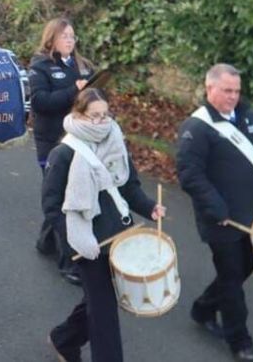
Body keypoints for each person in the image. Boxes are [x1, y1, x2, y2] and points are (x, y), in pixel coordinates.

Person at [176, 64, 253, 362]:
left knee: (244, 268)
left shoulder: (249, 118)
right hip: (222, 218)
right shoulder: (196, 128)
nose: (233, 96)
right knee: (232, 276)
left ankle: (204, 307)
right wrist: (215, 206)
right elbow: (189, 175)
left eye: (237, 90)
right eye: (227, 90)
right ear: (210, 89)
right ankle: (240, 341)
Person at [46, 88, 165, 362]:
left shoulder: (115, 140)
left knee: (98, 302)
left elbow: (129, 186)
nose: (101, 122)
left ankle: (64, 339)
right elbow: (51, 207)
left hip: (119, 236)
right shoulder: (63, 154)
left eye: (105, 115)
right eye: (94, 116)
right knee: (104, 312)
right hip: (86, 243)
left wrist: (149, 207)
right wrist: (75, 241)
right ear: (78, 115)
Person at [30, 18, 97, 276]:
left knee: (64, 196)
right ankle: (69, 263)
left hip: (79, 141)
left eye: (72, 36)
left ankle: (46, 242)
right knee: (62, 200)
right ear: (52, 39)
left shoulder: (82, 66)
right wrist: (73, 90)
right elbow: (40, 102)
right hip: (51, 142)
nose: (70, 40)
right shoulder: (40, 66)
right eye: (65, 36)